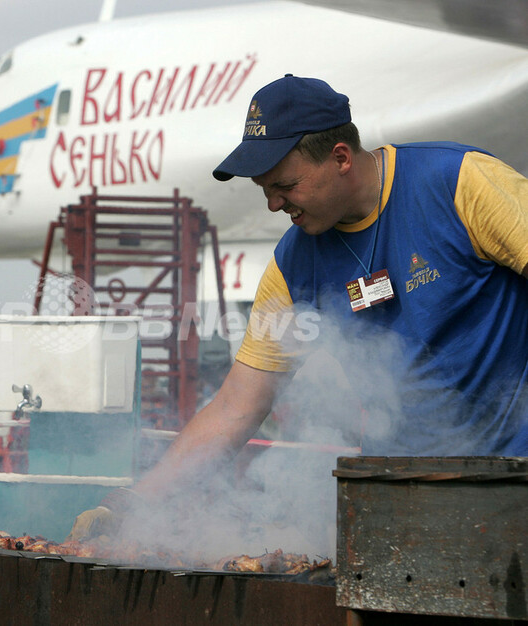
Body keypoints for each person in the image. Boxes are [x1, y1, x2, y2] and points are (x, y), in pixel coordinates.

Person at [68, 74, 528, 540]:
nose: (273, 204)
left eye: (285, 185)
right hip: (397, 496)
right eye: (264, 188)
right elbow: (236, 407)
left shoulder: (458, 183)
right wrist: (133, 503)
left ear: (341, 158)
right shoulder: (292, 265)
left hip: (515, 478)